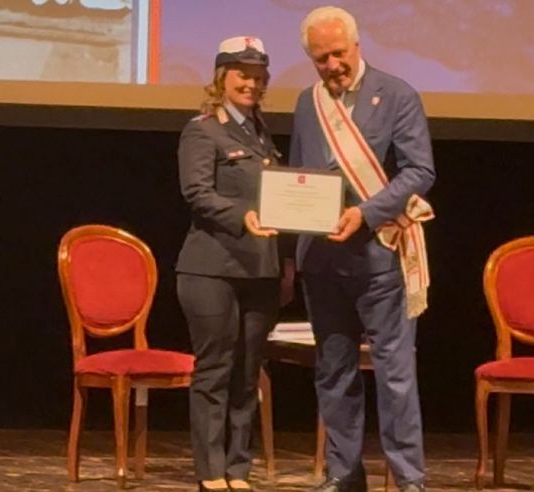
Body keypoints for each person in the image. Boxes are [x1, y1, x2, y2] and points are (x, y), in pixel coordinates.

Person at [290, 6, 436, 492]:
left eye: (338, 53)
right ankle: (344, 473)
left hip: (379, 258)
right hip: (321, 260)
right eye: (321, 58)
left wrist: (366, 213)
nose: (332, 65)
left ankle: (408, 478)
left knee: (395, 375)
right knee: (334, 372)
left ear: (356, 45)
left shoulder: (397, 95)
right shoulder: (307, 103)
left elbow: (419, 171)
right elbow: (300, 172)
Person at [175, 36, 292, 492]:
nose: (252, 84)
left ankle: (238, 469)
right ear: (222, 77)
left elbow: (279, 203)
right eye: (243, 75)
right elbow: (197, 193)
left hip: (260, 271)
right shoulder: (203, 130)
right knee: (215, 369)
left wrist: (286, 263)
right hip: (212, 269)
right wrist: (241, 216)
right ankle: (210, 471)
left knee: (247, 372)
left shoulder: (261, 132)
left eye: (259, 77)